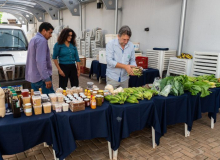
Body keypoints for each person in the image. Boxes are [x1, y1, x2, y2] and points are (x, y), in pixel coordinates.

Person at [25, 22, 55, 94]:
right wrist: (46, 78)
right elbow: (41, 62)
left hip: (33, 78)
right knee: (49, 101)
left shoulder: (34, 39)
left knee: (38, 102)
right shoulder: (42, 40)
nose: (50, 35)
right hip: (41, 79)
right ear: (44, 31)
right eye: (50, 33)